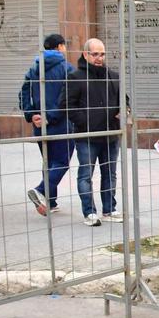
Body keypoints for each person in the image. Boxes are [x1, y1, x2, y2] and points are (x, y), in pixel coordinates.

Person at [65, 38, 123, 226]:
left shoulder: (113, 76)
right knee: (85, 175)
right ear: (85, 54)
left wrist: (125, 109)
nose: (99, 58)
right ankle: (89, 212)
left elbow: (125, 99)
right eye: (95, 54)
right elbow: (66, 105)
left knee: (110, 174)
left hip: (110, 135)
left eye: (102, 54)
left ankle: (110, 209)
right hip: (87, 137)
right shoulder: (75, 77)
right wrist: (85, 122)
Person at [22, 34, 74, 217]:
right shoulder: (67, 69)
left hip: (39, 124)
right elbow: (68, 99)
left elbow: (24, 92)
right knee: (61, 162)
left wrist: (32, 115)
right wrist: (50, 117)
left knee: (49, 162)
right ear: (60, 47)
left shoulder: (34, 69)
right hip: (60, 124)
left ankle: (50, 202)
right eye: (64, 45)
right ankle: (41, 190)